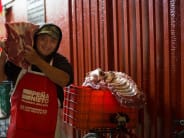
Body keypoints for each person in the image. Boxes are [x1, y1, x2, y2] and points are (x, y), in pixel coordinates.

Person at [4, 23, 74, 138]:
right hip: (20, 130)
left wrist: (37, 61)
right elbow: (2, 78)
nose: (47, 44)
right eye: (43, 39)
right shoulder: (21, 58)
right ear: (35, 39)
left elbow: (64, 80)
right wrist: (3, 54)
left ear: (57, 44)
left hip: (50, 130)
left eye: (53, 41)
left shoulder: (59, 61)